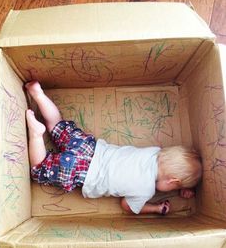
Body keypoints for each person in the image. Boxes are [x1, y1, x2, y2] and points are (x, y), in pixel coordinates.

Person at [25, 81, 202, 216]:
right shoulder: (145, 191)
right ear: (172, 182)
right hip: (82, 173)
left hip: (89, 147)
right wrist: (155, 207)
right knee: (39, 168)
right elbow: (128, 206)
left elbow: (165, 178)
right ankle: (36, 135)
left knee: (57, 124)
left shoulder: (155, 152)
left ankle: (38, 94)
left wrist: (180, 186)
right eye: (173, 187)